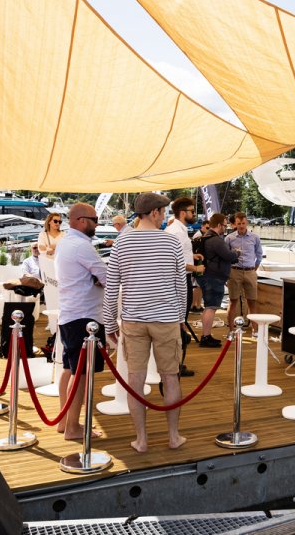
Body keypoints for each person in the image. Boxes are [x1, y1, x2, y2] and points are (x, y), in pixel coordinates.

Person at [102, 192, 187, 453]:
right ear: (154, 213)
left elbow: (111, 286)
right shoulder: (171, 243)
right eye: (163, 212)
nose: (165, 217)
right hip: (166, 319)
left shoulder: (121, 243)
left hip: (133, 321)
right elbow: (180, 285)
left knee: (135, 379)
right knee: (170, 378)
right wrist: (181, 317)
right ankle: (173, 436)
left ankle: (141, 440)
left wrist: (108, 324)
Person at [55, 203, 107, 440]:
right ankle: (74, 427)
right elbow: (106, 275)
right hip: (85, 318)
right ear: (82, 221)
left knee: (69, 369)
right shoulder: (81, 246)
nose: (97, 224)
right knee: (82, 374)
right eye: (95, 219)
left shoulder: (66, 242)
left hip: (70, 315)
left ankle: (65, 420)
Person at [165, 197, 205, 376]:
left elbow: (180, 255)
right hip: (179, 281)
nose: (194, 214)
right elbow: (174, 261)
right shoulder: (177, 232)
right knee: (179, 322)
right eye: (191, 211)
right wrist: (195, 267)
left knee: (180, 321)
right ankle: (176, 365)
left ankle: (176, 363)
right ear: (183, 213)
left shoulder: (177, 229)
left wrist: (192, 258)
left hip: (181, 280)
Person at [196, 213, 238, 347]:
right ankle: (206, 337)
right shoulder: (216, 240)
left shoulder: (205, 237)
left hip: (207, 276)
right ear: (219, 225)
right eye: (225, 225)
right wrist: (237, 253)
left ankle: (205, 335)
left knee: (208, 306)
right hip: (214, 278)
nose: (226, 228)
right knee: (211, 307)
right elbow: (228, 255)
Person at [224, 211, 263, 327]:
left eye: (243, 223)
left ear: (247, 223)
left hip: (250, 271)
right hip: (234, 272)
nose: (241, 226)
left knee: (252, 302)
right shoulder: (229, 238)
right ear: (235, 224)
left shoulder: (255, 238)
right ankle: (231, 331)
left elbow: (259, 255)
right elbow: (225, 257)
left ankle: (255, 331)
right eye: (239, 223)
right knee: (233, 301)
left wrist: (253, 269)